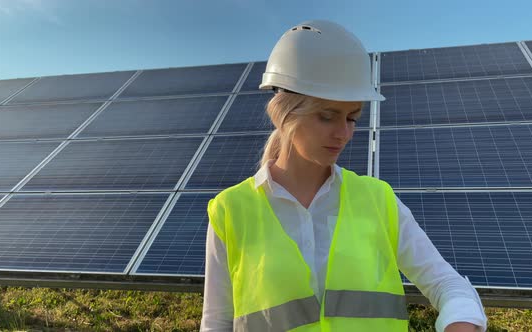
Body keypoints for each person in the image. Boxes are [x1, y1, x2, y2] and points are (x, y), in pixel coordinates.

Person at [201, 20, 487, 332]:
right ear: (284, 113)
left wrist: (461, 321)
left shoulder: (378, 201)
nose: (343, 133)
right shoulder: (230, 211)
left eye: (352, 118)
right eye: (327, 116)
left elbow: (450, 285)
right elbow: (216, 323)